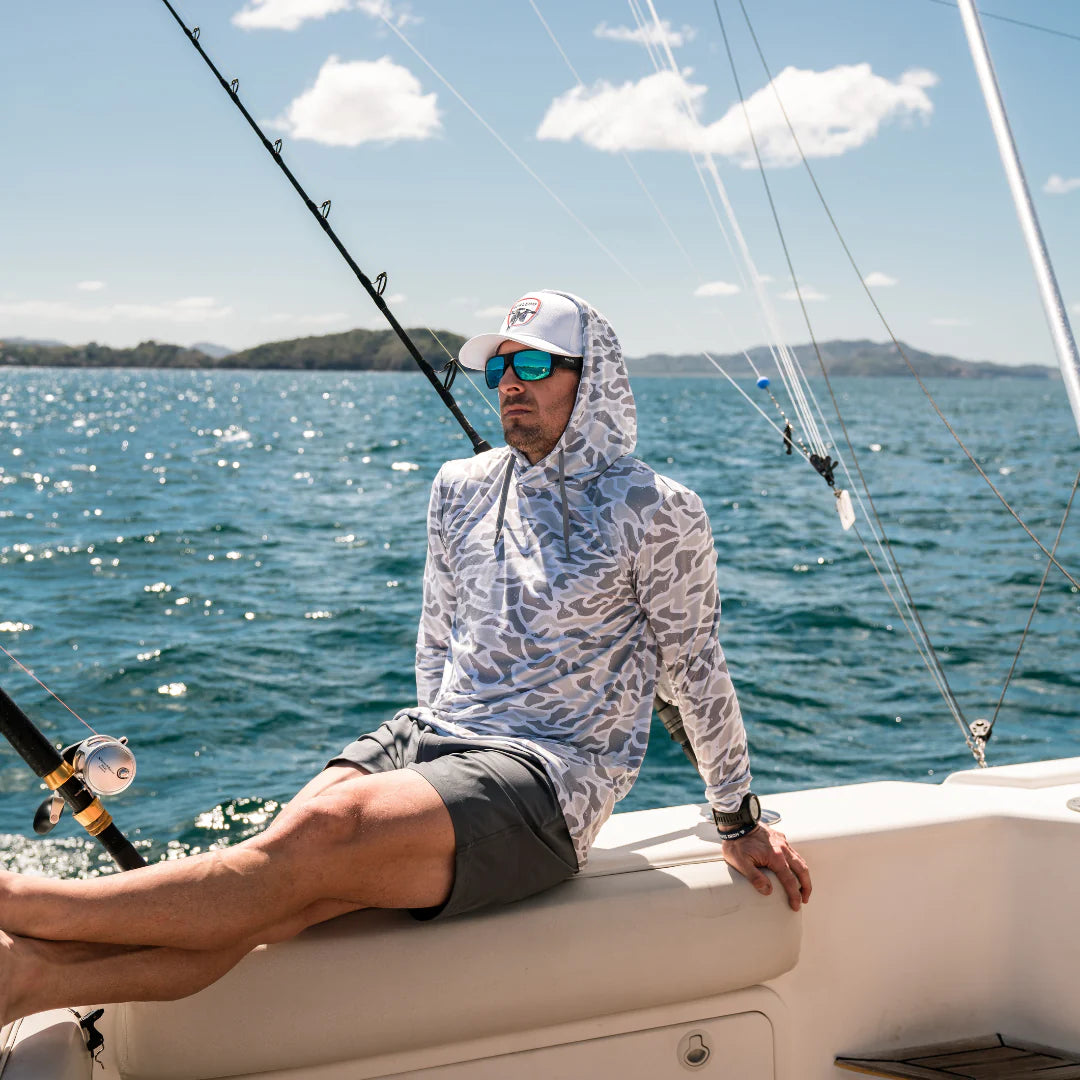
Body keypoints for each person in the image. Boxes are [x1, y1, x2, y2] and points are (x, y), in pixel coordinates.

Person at [0, 289, 810, 1026]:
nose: (509, 384)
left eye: (532, 364)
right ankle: (24, 982)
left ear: (591, 380)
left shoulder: (658, 509)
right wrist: (419, 772)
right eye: (498, 367)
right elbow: (436, 637)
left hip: (550, 774)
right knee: (275, 895)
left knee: (314, 833)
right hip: (436, 729)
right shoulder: (460, 484)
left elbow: (698, 669)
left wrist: (735, 815)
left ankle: (22, 902)